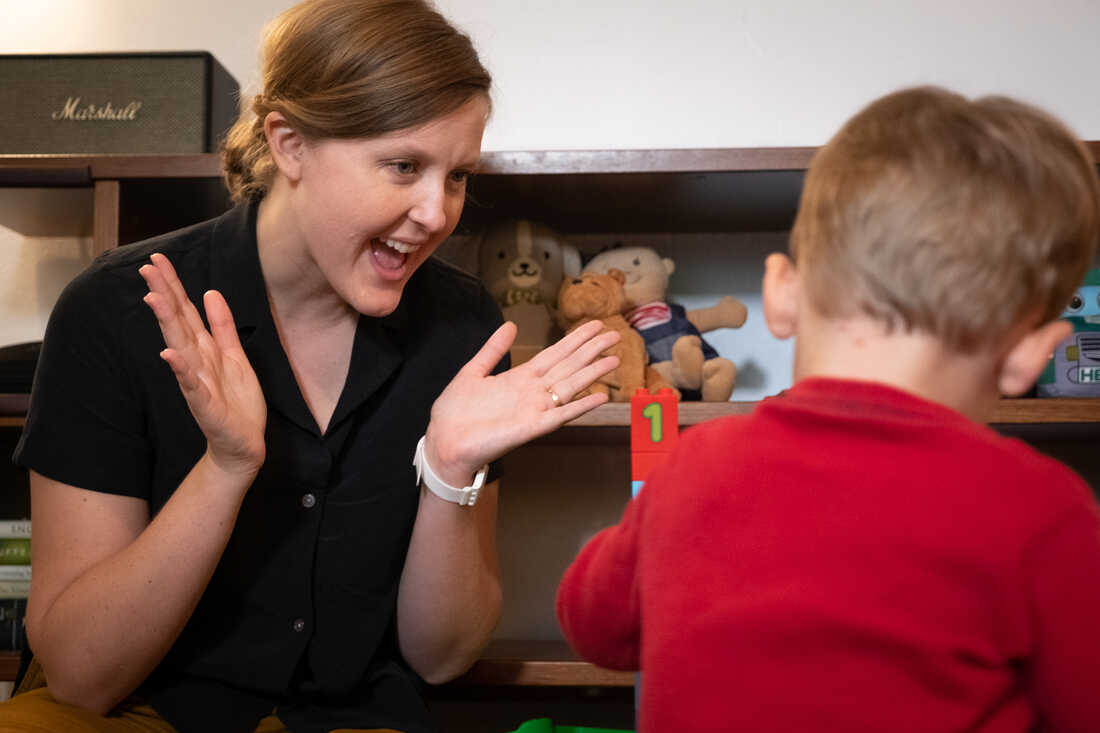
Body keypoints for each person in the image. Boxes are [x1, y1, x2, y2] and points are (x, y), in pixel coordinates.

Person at [0, 1, 620, 732]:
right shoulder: (114, 311)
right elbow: (78, 674)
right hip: (138, 711)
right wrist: (226, 468)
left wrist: (450, 473)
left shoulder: (462, 329)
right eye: (403, 166)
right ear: (289, 145)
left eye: (456, 176)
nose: (436, 212)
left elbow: (442, 656)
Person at [556, 86, 1100, 732]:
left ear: (781, 293)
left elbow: (590, 622)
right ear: (1031, 354)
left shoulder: (691, 467)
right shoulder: (1044, 513)